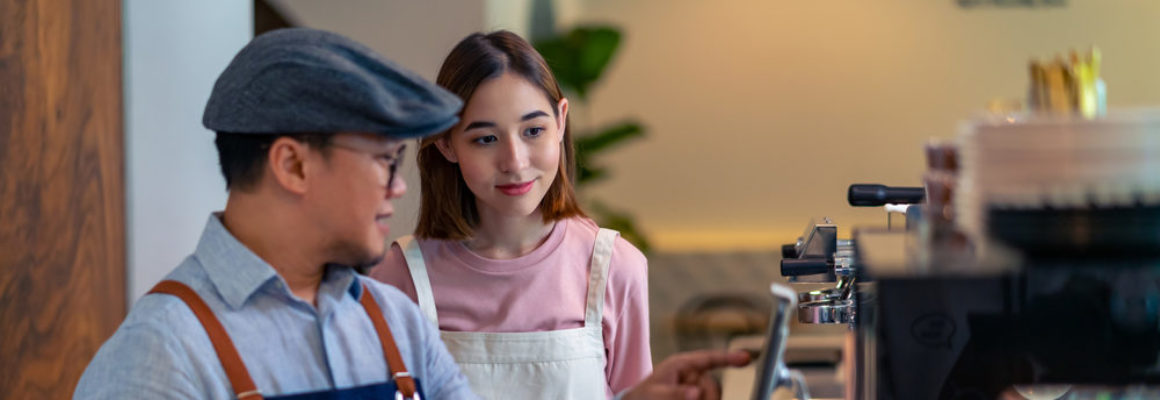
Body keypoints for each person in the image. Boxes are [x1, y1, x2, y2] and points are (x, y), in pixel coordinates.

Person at [73, 27, 750, 400]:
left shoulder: (389, 324)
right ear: (293, 165)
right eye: (382, 162)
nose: (399, 190)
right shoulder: (163, 353)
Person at [368, 30, 650, 399]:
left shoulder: (615, 268)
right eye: (486, 138)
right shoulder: (398, 279)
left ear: (561, 121)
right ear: (447, 143)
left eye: (533, 130)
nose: (515, 162)